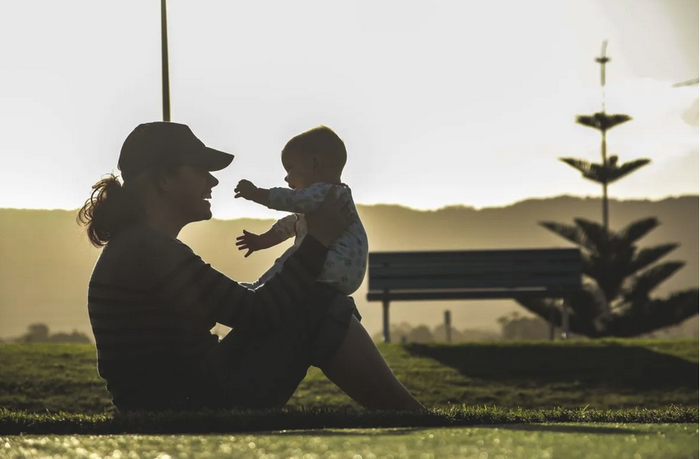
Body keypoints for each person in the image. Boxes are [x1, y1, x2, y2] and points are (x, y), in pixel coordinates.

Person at [77, 121, 423, 413]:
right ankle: (415, 420)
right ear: (165, 179)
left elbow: (243, 306)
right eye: (201, 171)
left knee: (317, 301)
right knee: (320, 304)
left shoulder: (139, 248)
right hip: (191, 405)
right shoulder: (147, 251)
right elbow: (257, 312)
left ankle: (412, 417)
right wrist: (317, 240)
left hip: (180, 399)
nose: (212, 182)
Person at [234, 125, 368, 296]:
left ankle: (260, 289)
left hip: (332, 265)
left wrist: (256, 194)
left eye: (290, 169)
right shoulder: (333, 198)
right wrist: (261, 241)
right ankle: (259, 287)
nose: (286, 178)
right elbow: (292, 225)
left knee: (291, 261)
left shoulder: (326, 192)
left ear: (315, 164)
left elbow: (291, 200)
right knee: (294, 259)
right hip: (345, 274)